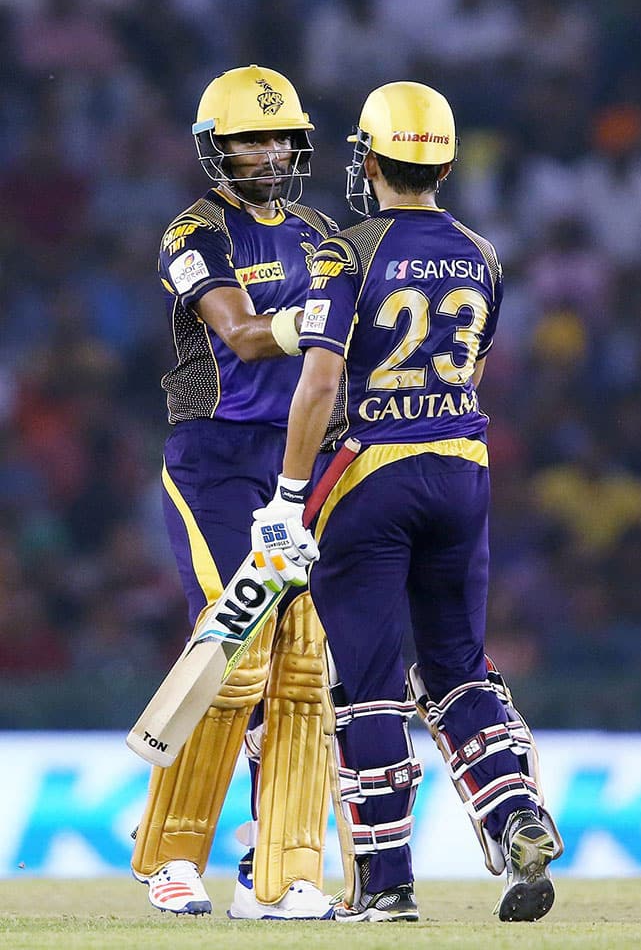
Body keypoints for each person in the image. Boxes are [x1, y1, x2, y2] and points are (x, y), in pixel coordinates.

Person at [250, 81, 563, 922]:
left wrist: (286, 495)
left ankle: (385, 883)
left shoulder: (343, 253)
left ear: (369, 159)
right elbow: (473, 373)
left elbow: (319, 381)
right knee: (458, 666)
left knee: (369, 685)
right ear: (445, 162)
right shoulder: (483, 255)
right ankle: (513, 813)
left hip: (367, 477)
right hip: (462, 471)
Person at [130, 65, 338, 920]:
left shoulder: (324, 229)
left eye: (279, 135)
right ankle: (172, 859)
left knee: (299, 669)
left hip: (302, 456)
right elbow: (244, 339)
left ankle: (284, 866)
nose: (269, 151)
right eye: (250, 137)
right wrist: (316, 324)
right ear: (216, 149)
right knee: (232, 651)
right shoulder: (194, 230)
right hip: (213, 457)